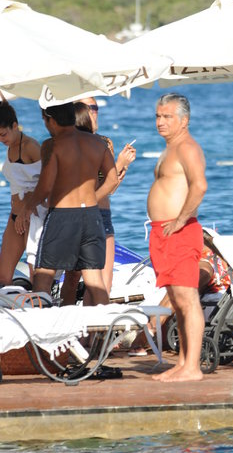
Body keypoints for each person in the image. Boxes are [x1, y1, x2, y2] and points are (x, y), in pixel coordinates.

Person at [16, 101, 118, 304]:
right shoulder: (98, 143)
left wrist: (27, 207)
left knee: (43, 277)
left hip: (62, 216)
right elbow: (112, 180)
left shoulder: (54, 145)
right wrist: (92, 198)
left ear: (51, 120)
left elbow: (45, 186)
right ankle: (104, 325)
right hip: (91, 216)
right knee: (94, 281)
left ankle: (41, 324)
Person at [147, 93, 207, 383]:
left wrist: (181, 219)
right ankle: (183, 362)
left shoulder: (187, 147)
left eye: (167, 117)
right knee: (176, 300)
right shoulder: (171, 148)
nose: (161, 122)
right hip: (163, 232)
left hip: (179, 232)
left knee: (187, 299)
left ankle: (193, 367)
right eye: (158, 116)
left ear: (184, 120)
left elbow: (200, 186)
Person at [79, 96, 136, 296]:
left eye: (95, 107)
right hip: (83, 215)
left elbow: (109, 188)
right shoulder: (74, 144)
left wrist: (122, 168)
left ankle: (95, 316)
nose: (93, 112)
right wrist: (119, 165)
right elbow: (89, 186)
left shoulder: (105, 142)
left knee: (106, 281)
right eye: (88, 107)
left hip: (103, 214)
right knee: (81, 280)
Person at [0, 100, 42, 286]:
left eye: (3, 134)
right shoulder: (11, 144)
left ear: (15, 126)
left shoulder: (30, 147)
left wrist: (26, 211)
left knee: (36, 276)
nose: (1, 139)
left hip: (32, 215)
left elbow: (47, 181)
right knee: (3, 277)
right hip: (16, 216)